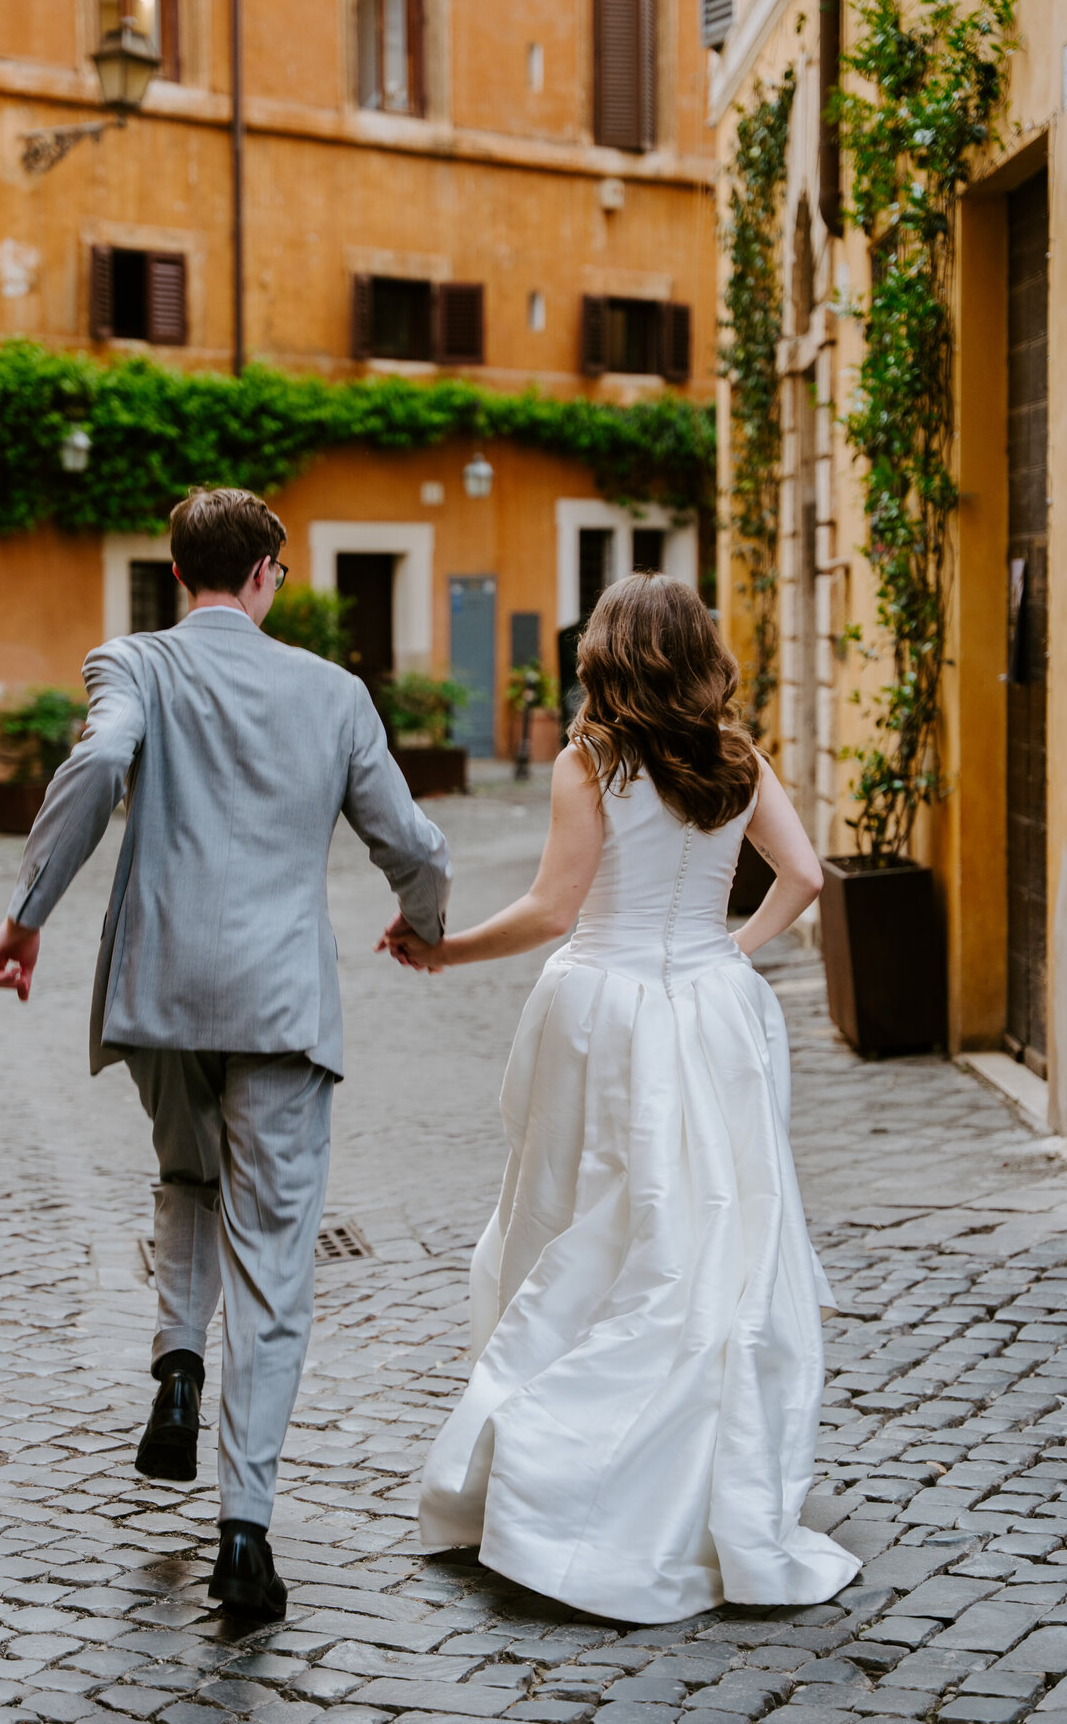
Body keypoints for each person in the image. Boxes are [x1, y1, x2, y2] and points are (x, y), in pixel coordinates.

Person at [0, 487, 450, 1622]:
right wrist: (424, 922)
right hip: (281, 1008)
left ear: (177, 571)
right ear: (264, 574)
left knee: (184, 1172)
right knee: (279, 1266)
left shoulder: (128, 663)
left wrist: (27, 913)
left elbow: (96, 773)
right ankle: (244, 1536)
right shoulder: (334, 693)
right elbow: (415, 844)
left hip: (159, 996)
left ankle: (178, 1361)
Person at [382, 573, 860, 1625]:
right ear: (695, 656)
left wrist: (446, 948)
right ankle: (700, 1475)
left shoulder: (589, 764)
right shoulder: (737, 760)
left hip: (605, 1014)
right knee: (710, 1236)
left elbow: (557, 908)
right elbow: (808, 878)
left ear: (605, 655)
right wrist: (726, 955)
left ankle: (560, 1473)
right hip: (717, 1013)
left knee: (581, 1225)